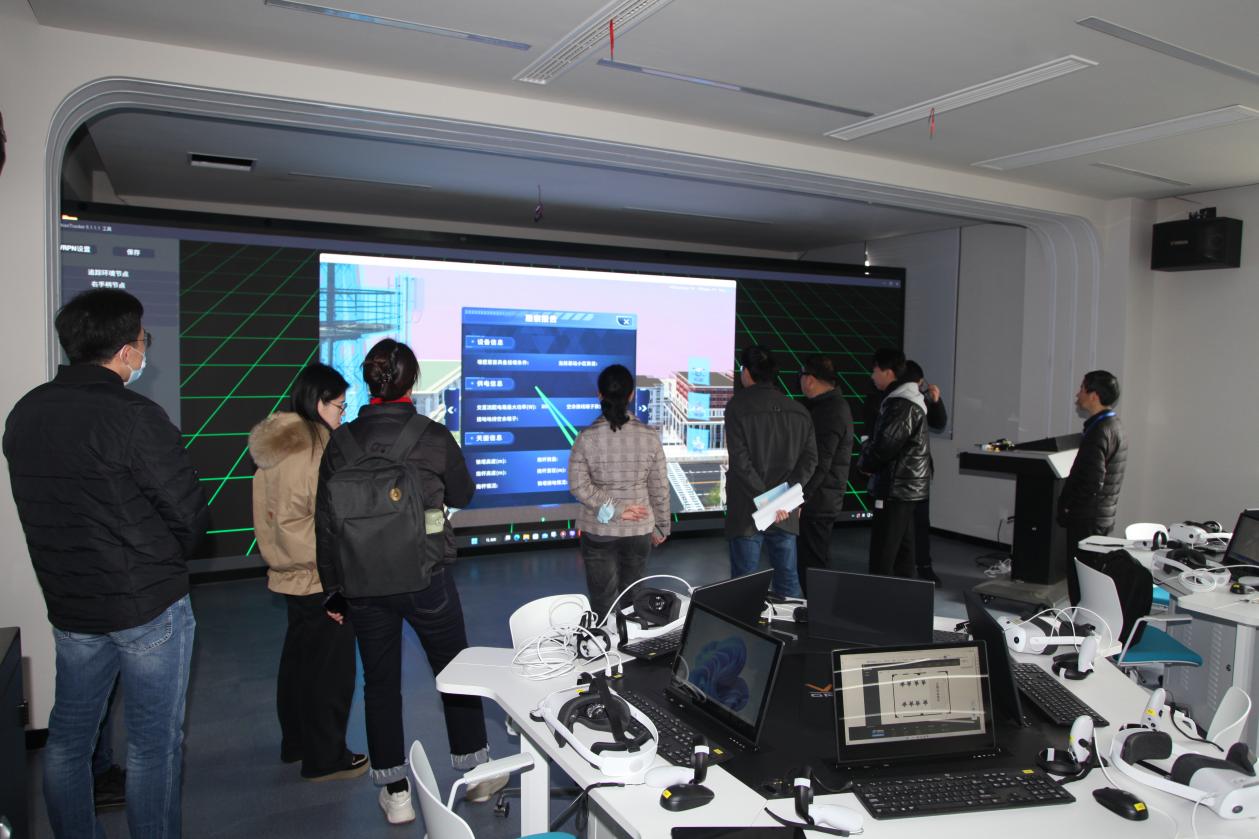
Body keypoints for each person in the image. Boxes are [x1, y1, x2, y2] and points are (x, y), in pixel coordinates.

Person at [4, 288, 208, 838]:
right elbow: (188, 514)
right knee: (153, 745)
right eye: (142, 340)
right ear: (124, 350)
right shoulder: (134, 416)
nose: (144, 350)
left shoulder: (26, 412)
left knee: (68, 741)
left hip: (71, 603)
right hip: (147, 604)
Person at [315, 339, 500, 825]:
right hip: (427, 577)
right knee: (456, 673)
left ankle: (396, 793)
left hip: (363, 584)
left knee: (379, 685)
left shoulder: (341, 442)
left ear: (369, 382)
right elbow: (464, 492)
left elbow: (326, 522)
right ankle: (476, 776)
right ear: (411, 382)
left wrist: (333, 589)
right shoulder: (432, 435)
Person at [249, 363, 367, 782]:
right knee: (331, 671)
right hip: (320, 574)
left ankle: (296, 743)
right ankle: (325, 757)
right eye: (339, 405)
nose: (342, 414)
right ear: (319, 403)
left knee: (299, 661)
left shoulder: (277, 446)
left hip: (288, 570)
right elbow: (332, 522)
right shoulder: (318, 452)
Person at [567, 364, 671, 618]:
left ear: (599, 395)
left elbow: (578, 485)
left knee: (603, 604)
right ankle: (631, 641)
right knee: (634, 600)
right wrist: (661, 527)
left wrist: (615, 510)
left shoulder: (586, 437)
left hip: (599, 531)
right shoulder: (650, 436)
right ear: (631, 395)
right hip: (639, 529)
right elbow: (659, 486)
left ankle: (607, 642)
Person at [724, 346, 817, 597]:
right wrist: (783, 498)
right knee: (788, 580)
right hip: (784, 509)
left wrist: (767, 500)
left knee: (745, 585)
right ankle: (791, 623)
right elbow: (811, 460)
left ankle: (745, 623)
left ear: (746, 372)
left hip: (747, 508)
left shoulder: (737, 407)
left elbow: (741, 463)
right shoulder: (799, 410)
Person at [1058, 370, 1127, 605]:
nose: (1078, 394)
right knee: (1091, 577)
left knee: (1081, 580)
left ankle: (1081, 622)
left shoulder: (1099, 430)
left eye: (1082, 388)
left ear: (1094, 395)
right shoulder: (1114, 425)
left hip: (1086, 519)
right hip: (1100, 516)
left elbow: (1091, 482)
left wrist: (1068, 507)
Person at [859, 348, 930, 578]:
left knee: (884, 554)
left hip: (896, 486)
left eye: (875, 370)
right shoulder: (906, 399)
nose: (872, 376)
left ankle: (879, 597)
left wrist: (866, 457)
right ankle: (904, 596)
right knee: (902, 552)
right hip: (904, 486)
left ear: (888, 372)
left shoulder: (900, 404)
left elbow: (885, 446)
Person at [797, 355, 854, 596]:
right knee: (813, 561)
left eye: (801, 377)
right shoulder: (830, 406)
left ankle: (819, 612)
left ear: (810, 380)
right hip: (822, 498)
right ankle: (819, 610)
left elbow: (819, 462)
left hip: (818, 501)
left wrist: (800, 498)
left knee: (814, 565)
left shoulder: (829, 411)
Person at [903, 359, 947, 585]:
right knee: (900, 525)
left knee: (921, 522)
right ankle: (901, 568)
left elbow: (939, 422)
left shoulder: (921, 400)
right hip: (900, 474)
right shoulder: (896, 400)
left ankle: (923, 565)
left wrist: (936, 401)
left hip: (919, 473)